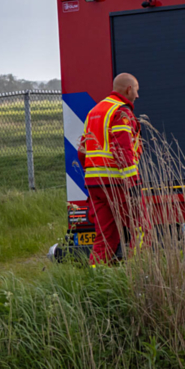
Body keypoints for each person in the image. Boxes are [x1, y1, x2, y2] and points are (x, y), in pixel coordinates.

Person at [78, 73, 146, 265]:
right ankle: (136, 275)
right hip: (117, 184)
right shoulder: (121, 112)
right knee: (141, 230)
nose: (138, 96)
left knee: (104, 237)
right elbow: (123, 152)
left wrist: (91, 178)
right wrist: (132, 184)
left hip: (95, 185)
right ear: (129, 89)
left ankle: (95, 281)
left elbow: (82, 152)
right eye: (137, 90)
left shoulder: (94, 111)